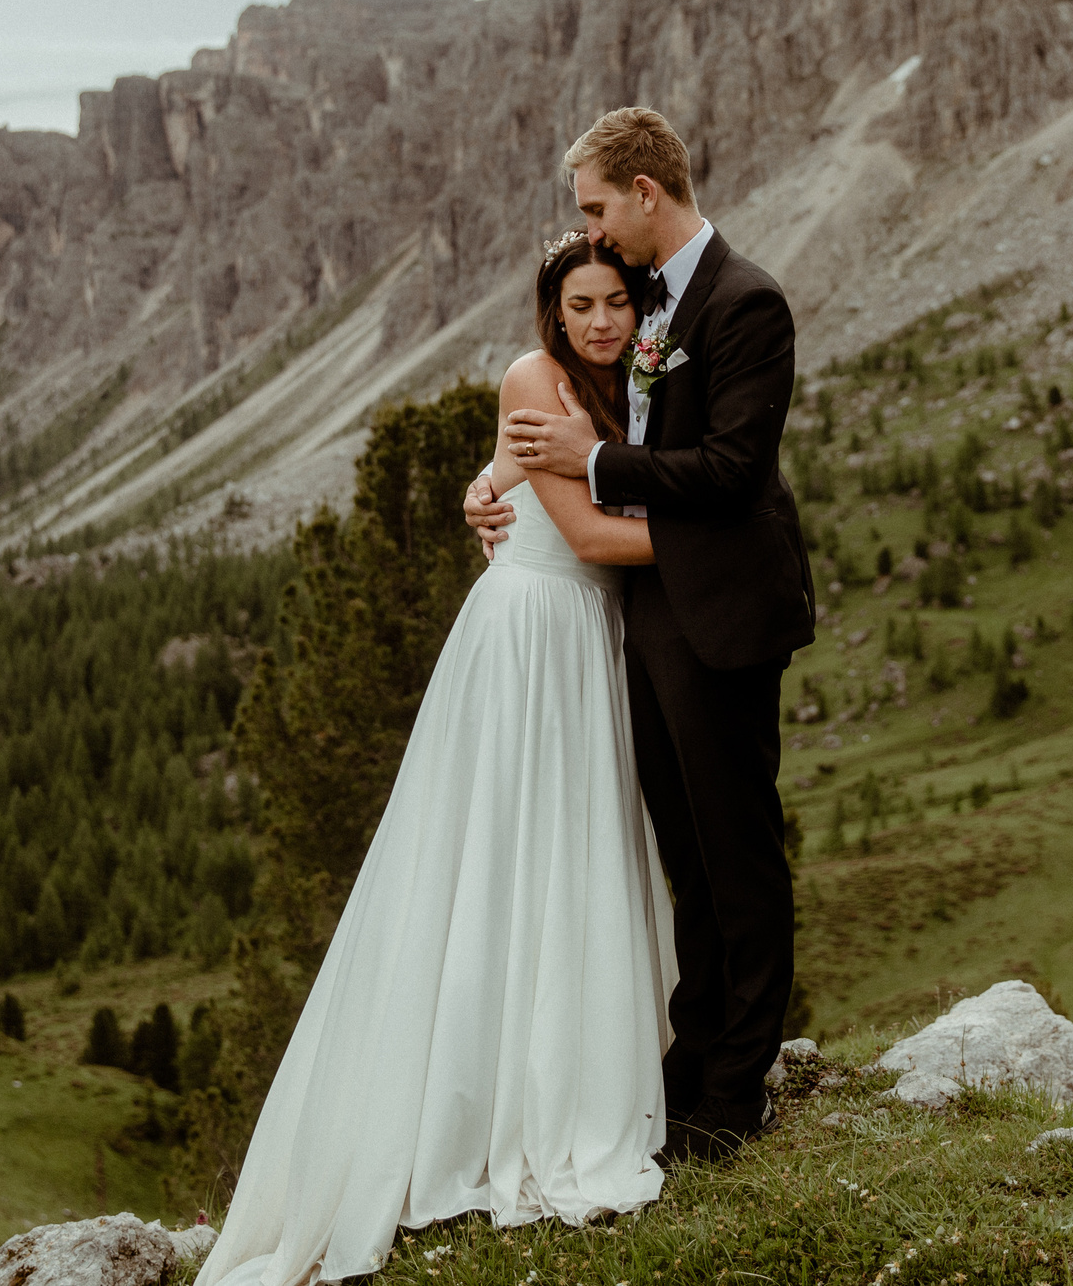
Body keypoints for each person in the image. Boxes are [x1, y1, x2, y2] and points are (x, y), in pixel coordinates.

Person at [200, 232, 676, 1286]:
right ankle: (485, 1102)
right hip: (534, 637)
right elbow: (589, 534)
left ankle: (564, 1067)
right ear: (552, 315)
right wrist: (729, 527)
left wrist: (483, 484)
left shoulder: (632, 374)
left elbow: (516, 479)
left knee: (569, 858)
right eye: (580, 306)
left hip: (583, 638)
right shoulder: (534, 372)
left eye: (616, 305)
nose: (600, 323)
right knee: (500, 858)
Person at [469, 105, 816, 1163]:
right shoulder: (648, 308)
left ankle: (738, 1086)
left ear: (646, 194)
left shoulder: (748, 302)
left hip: (721, 620)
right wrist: (489, 486)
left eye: (596, 207)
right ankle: (695, 1062)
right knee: (687, 860)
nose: (592, 228)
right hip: (653, 618)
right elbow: (552, 431)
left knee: (738, 855)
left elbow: (730, 474)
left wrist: (591, 465)